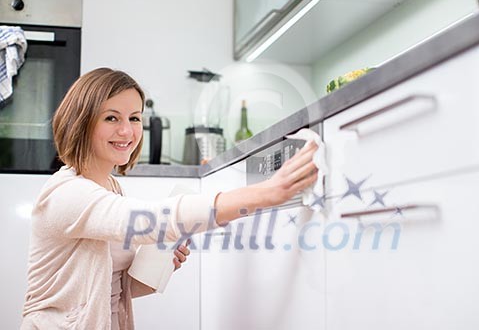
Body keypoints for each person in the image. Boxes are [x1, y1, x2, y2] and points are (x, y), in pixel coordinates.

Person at [20, 67, 318, 329]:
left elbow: (108, 290)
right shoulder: (67, 194)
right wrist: (266, 193)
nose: (127, 131)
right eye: (111, 117)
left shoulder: (110, 186)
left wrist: (156, 266)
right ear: (81, 122)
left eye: (134, 118)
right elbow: (150, 221)